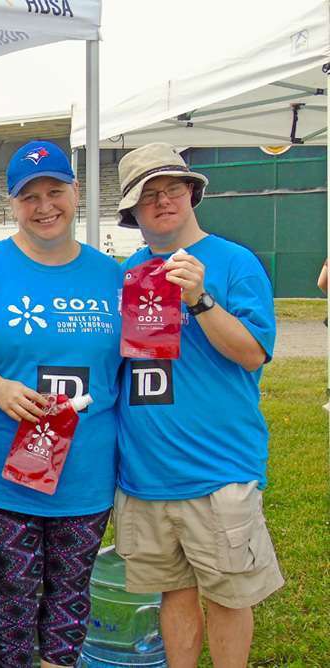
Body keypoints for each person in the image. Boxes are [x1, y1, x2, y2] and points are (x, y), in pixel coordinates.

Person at [0, 140, 123, 668]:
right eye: (29, 196)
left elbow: (133, 364)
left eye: (55, 191)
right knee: (13, 592)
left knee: (70, 593)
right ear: (11, 203)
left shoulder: (112, 276)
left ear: (76, 192)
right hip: (3, 465)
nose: (45, 206)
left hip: (85, 468)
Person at [112, 142, 283, 668]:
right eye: (149, 196)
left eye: (173, 189)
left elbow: (253, 354)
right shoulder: (125, 272)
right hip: (145, 474)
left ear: (192, 193)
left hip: (218, 472)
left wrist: (200, 300)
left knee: (230, 598)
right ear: (133, 212)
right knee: (173, 594)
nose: (163, 202)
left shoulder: (234, 262)